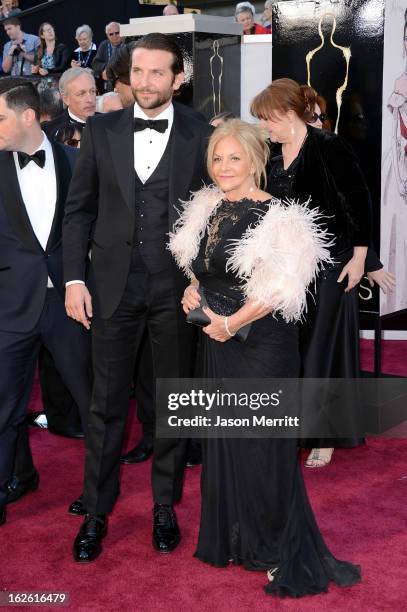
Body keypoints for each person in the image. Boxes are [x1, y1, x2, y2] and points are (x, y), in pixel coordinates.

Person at [169, 118, 361, 597]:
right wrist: (192, 294)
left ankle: (277, 548)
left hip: (260, 346)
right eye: (217, 157)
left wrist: (229, 324)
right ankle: (237, 537)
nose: (224, 167)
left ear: (256, 160)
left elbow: (280, 291)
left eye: (235, 157)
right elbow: (201, 269)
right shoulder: (207, 208)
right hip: (216, 341)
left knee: (263, 446)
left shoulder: (282, 218)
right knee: (228, 441)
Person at [63, 32, 213, 563]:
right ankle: (97, 510)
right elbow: (79, 210)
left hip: (175, 289)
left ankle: (164, 504)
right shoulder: (101, 130)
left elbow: (215, 212)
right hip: (109, 288)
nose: (145, 82)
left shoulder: (200, 133)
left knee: (173, 401)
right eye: (138, 72)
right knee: (105, 404)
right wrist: (74, 280)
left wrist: (205, 279)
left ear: (178, 79)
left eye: (157, 73)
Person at [248, 78, 373, 468]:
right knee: (291, 348)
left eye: (268, 119)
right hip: (287, 267)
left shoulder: (328, 146)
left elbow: (359, 200)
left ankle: (324, 434)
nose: (265, 126)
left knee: (321, 349)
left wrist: (359, 258)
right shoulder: (269, 152)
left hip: (331, 265)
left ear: (287, 114)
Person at [0, 77, 92, 526]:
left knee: (91, 400)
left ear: (28, 116)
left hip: (70, 302)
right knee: (4, 407)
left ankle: (97, 493)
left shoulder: (78, 163)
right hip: (9, 306)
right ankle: (8, 484)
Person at [42, 67, 97, 141]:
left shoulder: (110, 122)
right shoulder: (48, 131)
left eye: (92, 91)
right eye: (81, 94)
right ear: (66, 99)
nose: (90, 100)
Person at [92, 22, 124, 93]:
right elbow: (95, 63)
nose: (114, 36)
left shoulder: (126, 44)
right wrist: (105, 68)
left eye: (117, 33)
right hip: (108, 84)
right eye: (111, 34)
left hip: (123, 81)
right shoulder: (104, 45)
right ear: (107, 36)